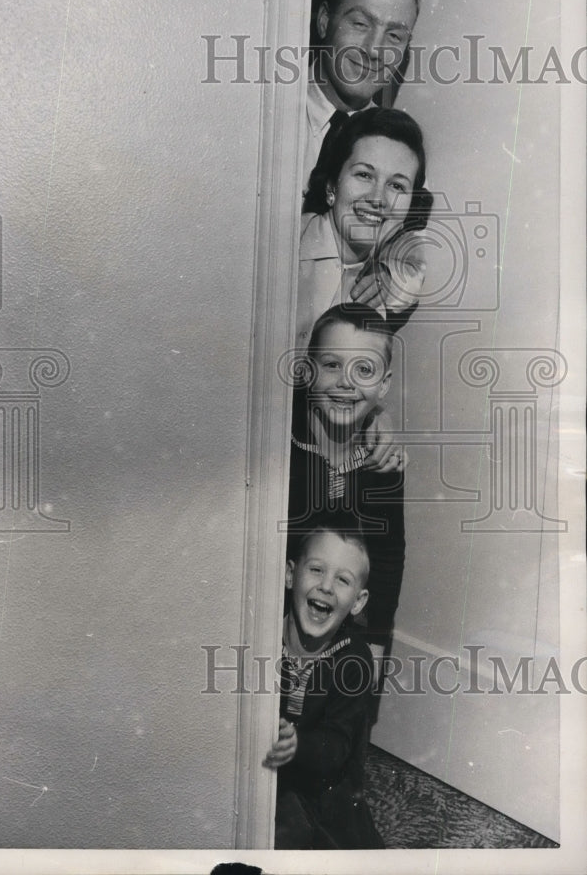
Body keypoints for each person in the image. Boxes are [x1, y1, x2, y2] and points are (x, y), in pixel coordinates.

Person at [286, 304, 405, 667]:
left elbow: (388, 555)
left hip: (338, 641)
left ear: (384, 384)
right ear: (308, 371)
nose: (346, 382)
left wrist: (377, 642)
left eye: (364, 369)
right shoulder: (282, 437)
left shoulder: (382, 463)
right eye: (332, 365)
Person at [263, 523, 384, 850]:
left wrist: (297, 744)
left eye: (342, 579)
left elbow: (338, 746)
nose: (326, 586)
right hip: (264, 773)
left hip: (325, 788)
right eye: (316, 569)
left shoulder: (353, 660)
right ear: (290, 575)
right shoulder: (264, 632)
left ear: (358, 602)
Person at [296, 107, 433, 350]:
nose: (378, 198)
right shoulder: (287, 243)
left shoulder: (388, 271)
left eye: (397, 186)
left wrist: (390, 275)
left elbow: (414, 263)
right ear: (331, 187)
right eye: (364, 175)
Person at [304, 0, 421, 188]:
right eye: (360, 24)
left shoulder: (400, 149)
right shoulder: (264, 118)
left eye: (394, 36)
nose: (374, 49)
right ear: (325, 21)